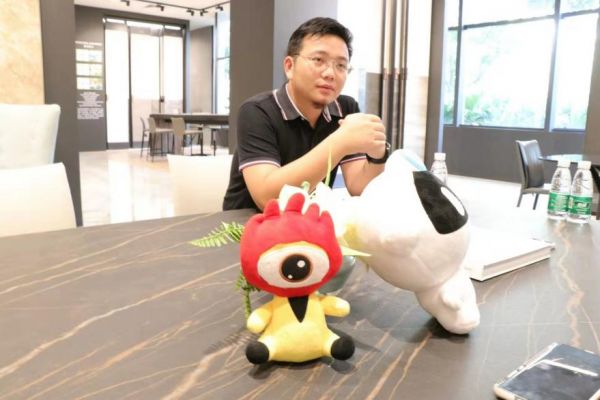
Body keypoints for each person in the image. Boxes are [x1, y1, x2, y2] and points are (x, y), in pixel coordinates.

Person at [223, 17, 389, 211]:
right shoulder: (257, 111)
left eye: (341, 65)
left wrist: (377, 155)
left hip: (308, 221)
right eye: (318, 60)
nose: (330, 73)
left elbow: (358, 188)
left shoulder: (345, 108)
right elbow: (267, 198)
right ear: (289, 67)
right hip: (247, 223)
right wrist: (340, 142)